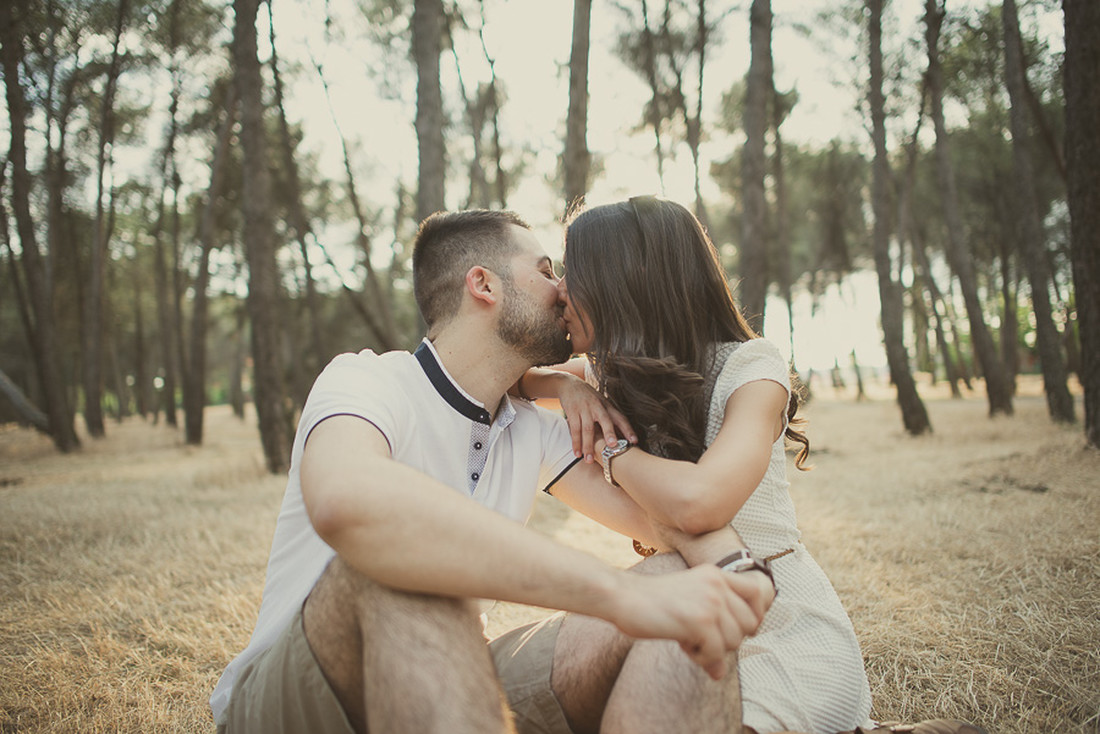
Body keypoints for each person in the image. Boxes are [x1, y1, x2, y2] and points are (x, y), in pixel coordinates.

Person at [209, 208, 775, 734]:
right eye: (547, 270)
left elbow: (668, 524)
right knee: (404, 566)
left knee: (677, 584)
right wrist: (617, 596)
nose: (565, 290)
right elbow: (348, 505)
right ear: (483, 285)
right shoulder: (367, 383)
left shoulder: (536, 427)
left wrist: (737, 571)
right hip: (301, 694)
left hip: (449, 676)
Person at [517, 196, 986, 734]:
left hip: (780, 621)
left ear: (623, 282)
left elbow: (700, 504)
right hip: (685, 613)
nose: (559, 290)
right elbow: (507, 375)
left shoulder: (752, 369)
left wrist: (611, 448)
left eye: (574, 272)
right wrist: (565, 386)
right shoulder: (611, 373)